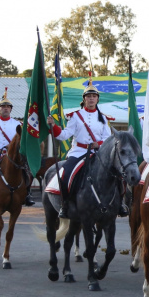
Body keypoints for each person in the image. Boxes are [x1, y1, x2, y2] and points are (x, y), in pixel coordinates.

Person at [45, 79, 111, 218]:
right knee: (65, 173)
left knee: (114, 174)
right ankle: (65, 204)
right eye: (88, 96)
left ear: (97, 99)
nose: (91, 99)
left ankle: (119, 203)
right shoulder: (76, 116)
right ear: (84, 99)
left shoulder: (103, 118)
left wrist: (98, 144)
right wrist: (54, 126)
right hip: (78, 152)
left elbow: (108, 139)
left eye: (94, 96)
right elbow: (64, 135)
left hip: (97, 153)